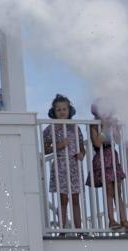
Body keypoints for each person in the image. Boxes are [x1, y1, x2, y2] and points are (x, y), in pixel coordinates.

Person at [87, 102, 128, 231]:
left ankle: (124, 219)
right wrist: (103, 129)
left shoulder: (112, 122)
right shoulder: (94, 124)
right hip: (102, 156)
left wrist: (114, 128)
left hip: (112, 156)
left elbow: (118, 141)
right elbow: (96, 143)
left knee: (117, 191)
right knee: (109, 190)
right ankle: (112, 220)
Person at [42, 94, 85, 229]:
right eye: (58, 109)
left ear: (69, 110)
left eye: (64, 109)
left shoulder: (75, 127)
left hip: (73, 166)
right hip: (61, 165)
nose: (62, 112)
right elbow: (45, 149)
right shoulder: (50, 129)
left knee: (75, 199)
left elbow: (82, 147)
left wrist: (81, 154)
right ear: (54, 112)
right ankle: (62, 229)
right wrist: (59, 145)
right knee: (63, 199)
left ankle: (79, 229)